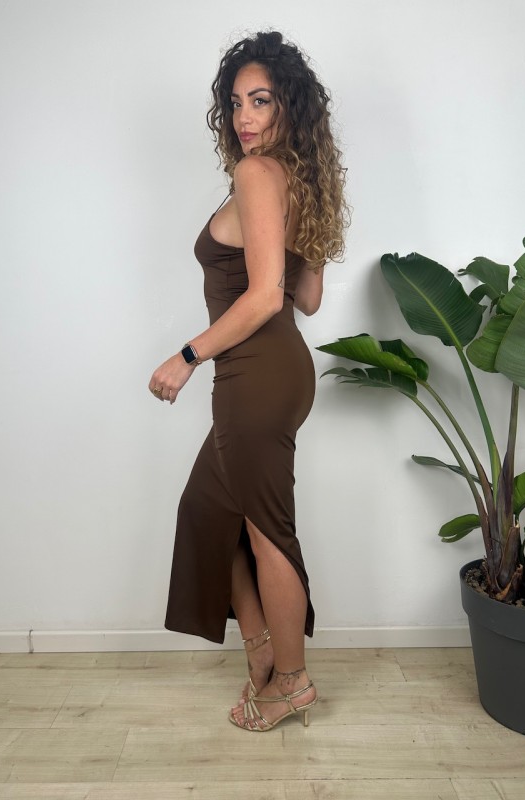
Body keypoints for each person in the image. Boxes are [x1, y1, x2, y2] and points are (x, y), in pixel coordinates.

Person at [149, 30, 347, 731]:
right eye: (235, 103)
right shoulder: (296, 179)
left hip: (255, 377)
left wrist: (187, 354)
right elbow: (308, 298)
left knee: (267, 532)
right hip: (279, 374)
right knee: (207, 511)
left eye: (260, 101)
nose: (243, 117)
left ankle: (291, 682)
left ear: (289, 105)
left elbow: (267, 296)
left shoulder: (258, 174)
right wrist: (313, 237)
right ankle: (262, 648)